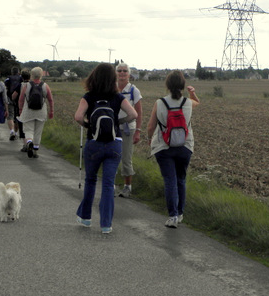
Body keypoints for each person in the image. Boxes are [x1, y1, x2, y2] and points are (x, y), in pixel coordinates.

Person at [74, 63, 137, 234]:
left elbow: (78, 116)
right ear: (113, 79)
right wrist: (118, 123)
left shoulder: (89, 96)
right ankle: (106, 224)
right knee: (108, 184)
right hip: (114, 143)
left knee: (91, 180)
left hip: (93, 143)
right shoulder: (117, 97)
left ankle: (86, 218)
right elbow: (133, 114)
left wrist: (89, 125)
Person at [147, 70, 200, 228]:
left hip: (164, 146)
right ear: (183, 85)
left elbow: (151, 126)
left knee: (169, 180)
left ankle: (173, 216)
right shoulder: (188, 103)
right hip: (185, 146)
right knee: (181, 179)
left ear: (167, 85)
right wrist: (193, 93)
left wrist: (150, 139)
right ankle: (181, 213)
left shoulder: (160, 103)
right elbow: (197, 102)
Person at [115, 62, 143, 198]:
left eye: (124, 71)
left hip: (128, 129)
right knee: (112, 155)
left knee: (126, 158)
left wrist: (138, 131)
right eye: (119, 71)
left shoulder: (133, 90)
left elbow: (139, 112)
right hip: (113, 128)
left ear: (129, 74)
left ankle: (127, 186)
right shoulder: (111, 89)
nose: (122, 73)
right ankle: (112, 185)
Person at [18, 67, 54, 158]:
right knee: (38, 132)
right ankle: (35, 151)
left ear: (32, 75)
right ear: (41, 75)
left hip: (28, 111)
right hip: (41, 112)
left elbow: (21, 99)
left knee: (28, 130)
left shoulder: (27, 85)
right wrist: (51, 111)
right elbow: (50, 100)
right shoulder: (45, 86)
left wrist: (20, 109)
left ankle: (29, 142)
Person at [3, 66, 22, 141]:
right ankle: (16, 133)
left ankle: (12, 131)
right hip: (19, 99)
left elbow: (5, 88)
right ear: (18, 72)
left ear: (11, 72)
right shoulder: (21, 78)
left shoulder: (8, 79)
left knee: (10, 116)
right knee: (17, 116)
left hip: (9, 99)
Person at [14, 69, 31, 152]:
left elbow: (14, 96)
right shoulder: (33, 85)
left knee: (22, 127)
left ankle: (25, 145)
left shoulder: (20, 85)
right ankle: (31, 141)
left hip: (21, 108)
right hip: (32, 108)